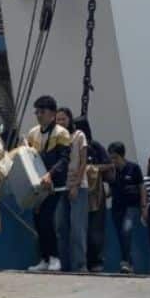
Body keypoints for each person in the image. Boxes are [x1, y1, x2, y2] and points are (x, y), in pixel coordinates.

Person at [23, 95, 70, 271]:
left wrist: (50, 175)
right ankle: (44, 259)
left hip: (55, 185)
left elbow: (64, 160)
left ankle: (55, 258)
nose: (38, 115)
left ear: (52, 113)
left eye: (41, 111)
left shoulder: (61, 133)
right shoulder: (32, 132)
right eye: (36, 111)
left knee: (46, 220)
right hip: (37, 186)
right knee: (37, 221)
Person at [54, 106, 88, 272]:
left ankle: (80, 265)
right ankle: (65, 266)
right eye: (58, 119)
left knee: (77, 228)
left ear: (70, 120)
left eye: (63, 119)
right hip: (61, 188)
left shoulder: (79, 136)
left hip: (77, 187)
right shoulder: (57, 139)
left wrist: (76, 185)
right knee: (61, 228)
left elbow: (83, 162)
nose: (60, 122)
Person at [74, 118, 109, 272]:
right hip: (80, 192)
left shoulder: (95, 147)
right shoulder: (75, 145)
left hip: (95, 194)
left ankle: (96, 262)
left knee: (95, 230)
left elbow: (108, 165)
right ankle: (82, 261)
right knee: (80, 229)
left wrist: (89, 169)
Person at [104, 141, 143, 274]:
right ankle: (129, 264)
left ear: (122, 156)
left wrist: (143, 206)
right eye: (111, 158)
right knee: (121, 235)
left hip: (131, 207)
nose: (113, 160)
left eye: (115, 157)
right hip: (117, 207)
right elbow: (110, 190)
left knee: (126, 230)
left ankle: (125, 262)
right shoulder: (112, 171)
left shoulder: (134, 168)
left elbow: (141, 187)